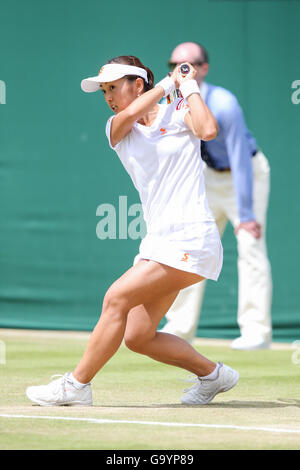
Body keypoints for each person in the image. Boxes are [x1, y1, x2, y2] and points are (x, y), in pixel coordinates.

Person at [25, 55, 239, 407]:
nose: (108, 96)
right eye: (104, 90)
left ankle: (76, 386)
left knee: (115, 298)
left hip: (192, 237)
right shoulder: (116, 128)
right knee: (139, 337)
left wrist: (188, 87)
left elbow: (208, 130)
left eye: (113, 87)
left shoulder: (177, 113)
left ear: (137, 84)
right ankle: (214, 375)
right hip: (158, 242)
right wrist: (167, 85)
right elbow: (126, 116)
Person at [161, 42, 272, 350]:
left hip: (245, 174)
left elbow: (239, 157)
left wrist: (247, 213)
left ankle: (256, 331)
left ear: (203, 69)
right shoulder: (170, 100)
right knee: (190, 248)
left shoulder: (225, 104)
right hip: (207, 178)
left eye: (187, 65)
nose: (179, 71)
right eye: (174, 64)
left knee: (250, 245)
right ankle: (179, 329)